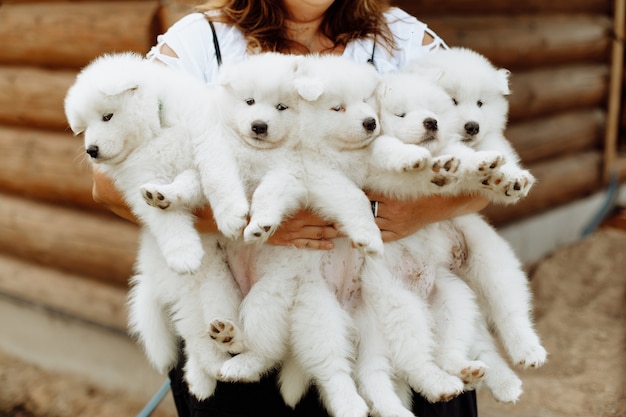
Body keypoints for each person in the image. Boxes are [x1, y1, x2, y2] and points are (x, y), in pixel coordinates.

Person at [91, 0, 488, 415]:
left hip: (397, 322)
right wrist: (242, 221)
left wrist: (421, 212)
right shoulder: (202, 40)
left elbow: (489, 168)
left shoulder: (402, 38)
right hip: (247, 323)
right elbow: (107, 182)